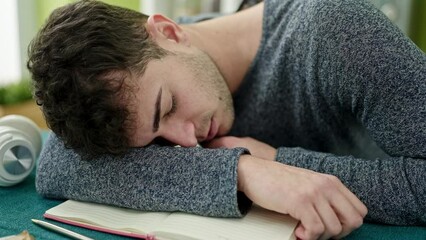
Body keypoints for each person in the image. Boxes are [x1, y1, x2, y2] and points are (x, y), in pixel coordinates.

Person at [28, 0, 425, 239]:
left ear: (168, 31)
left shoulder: (340, 34)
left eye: (167, 107)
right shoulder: (154, 81)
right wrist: (245, 172)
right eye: (154, 141)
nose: (186, 143)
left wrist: (284, 163)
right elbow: (56, 164)